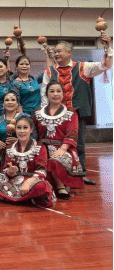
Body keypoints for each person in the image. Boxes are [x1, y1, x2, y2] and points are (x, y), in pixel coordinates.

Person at [41, 36, 112, 186]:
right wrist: (45, 113)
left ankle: (80, 174)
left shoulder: (83, 67)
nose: (56, 54)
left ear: (69, 52)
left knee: (78, 144)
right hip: (56, 115)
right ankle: (59, 176)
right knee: (57, 144)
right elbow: (44, 93)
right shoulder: (49, 71)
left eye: (59, 51)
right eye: (55, 52)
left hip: (77, 114)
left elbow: (105, 65)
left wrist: (107, 46)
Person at [0, 117, 55, 208]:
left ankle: (6, 197)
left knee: (42, 186)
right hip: (14, 182)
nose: (22, 131)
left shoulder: (40, 146)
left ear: (31, 130)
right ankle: (28, 199)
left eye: (25, 128)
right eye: (19, 128)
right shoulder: (10, 147)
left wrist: (28, 182)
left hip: (33, 181)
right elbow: (5, 169)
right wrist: (10, 172)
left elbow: (42, 171)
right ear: (15, 129)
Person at [35, 81, 84, 200]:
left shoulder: (71, 113)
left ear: (63, 94)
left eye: (58, 91)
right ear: (46, 94)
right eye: (52, 91)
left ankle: (60, 186)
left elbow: (72, 132)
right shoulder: (38, 112)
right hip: (42, 147)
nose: (55, 94)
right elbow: (34, 132)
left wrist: (62, 149)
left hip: (64, 147)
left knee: (54, 160)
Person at [0, 92, 33, 167]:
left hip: (22, 153)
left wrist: (20, 141)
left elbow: (34, 136)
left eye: (13, 100)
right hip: (3, 154)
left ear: (17, 103)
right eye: (7, 100)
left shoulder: (25, 117)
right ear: (3, 104)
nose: (10, 102)